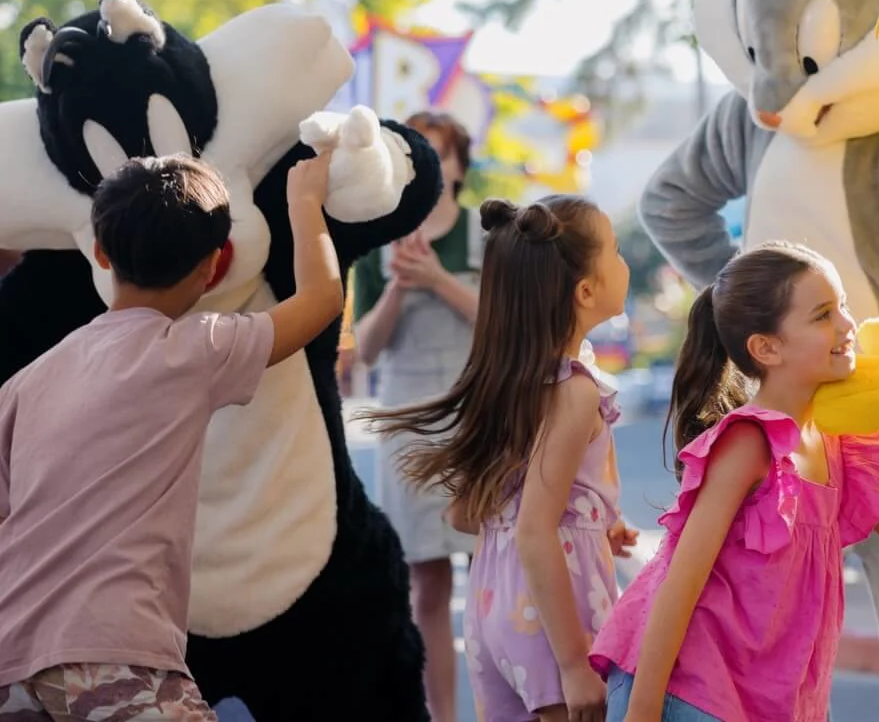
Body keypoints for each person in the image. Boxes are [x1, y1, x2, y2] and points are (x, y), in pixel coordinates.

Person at [595, 242, 879, 722]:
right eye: (822, 314)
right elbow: (679, 584)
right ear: (767, 347)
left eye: (842, 306)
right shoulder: (748, 443)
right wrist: (642, 712)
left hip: (764, 694)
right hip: (688, 688)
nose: (847, 324)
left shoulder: (841, 446)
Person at [0, 153, 342, 720]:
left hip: (11, 652)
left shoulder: (31, 379)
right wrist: (304, 203)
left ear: (102, 253)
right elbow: (320, 301)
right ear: (212, 267)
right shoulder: (192, 350)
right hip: (112, 653)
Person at [365, 195, 637, 722]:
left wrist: (591, 521)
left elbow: (466, 514)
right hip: (553, 616)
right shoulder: (575, 391)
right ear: (585, 291)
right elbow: (536, 531)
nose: (625, 263)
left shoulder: (510, 383)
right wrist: (575, 665)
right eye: (618, 251)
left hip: (494, 605)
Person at [346, 111, 481, 722]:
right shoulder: (376, 244)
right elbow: (366, 350)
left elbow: (509, 326)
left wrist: (438, 278)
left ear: (458, 166)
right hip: (406, 420)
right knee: (426, 582)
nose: (429, 161)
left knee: (499, 577)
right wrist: (401, 284)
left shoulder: (488, 232)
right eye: (416, 150)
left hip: (482, 417)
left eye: (440, 150)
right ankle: (443, 716)